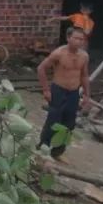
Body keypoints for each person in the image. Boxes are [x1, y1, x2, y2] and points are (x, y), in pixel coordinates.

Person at [37, 27, 92, 160]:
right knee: (53, 121)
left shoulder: (84, 56)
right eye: (76, 38)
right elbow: (41, 68)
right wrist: (46, 90)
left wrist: (86, 95)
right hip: (58, 90)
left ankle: (57, 152)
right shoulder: (59, 53)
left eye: (82, 39)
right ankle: (42, 149)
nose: (79, 42)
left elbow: (84, 76)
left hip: (73, 93)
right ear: (68, 38)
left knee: (69, 124)